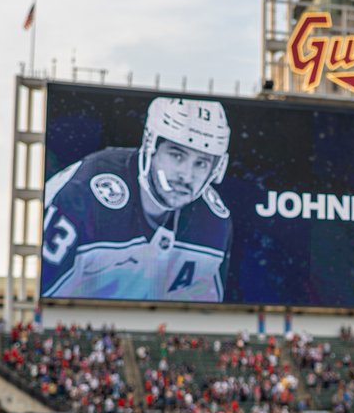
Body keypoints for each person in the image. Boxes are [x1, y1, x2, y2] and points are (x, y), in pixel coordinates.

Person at [41, 96, 233, 302]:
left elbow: (204, 312)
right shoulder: (83, 195)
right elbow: (44, 300)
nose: (186, 175)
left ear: (216, 169)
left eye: (201, 163)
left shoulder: (214, 222)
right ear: (151, 145)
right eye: (177, 155)